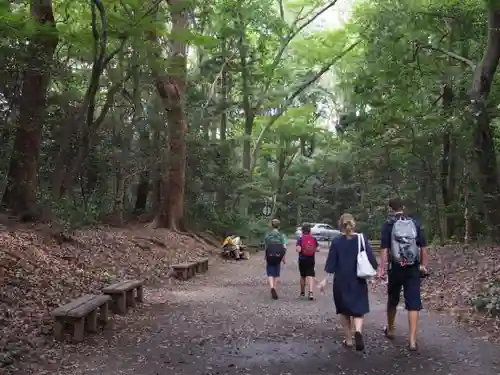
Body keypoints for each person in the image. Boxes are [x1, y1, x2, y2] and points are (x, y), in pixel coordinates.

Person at [318, 213, 378, 351]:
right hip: (358, 278)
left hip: (341, 280)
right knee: (358, 308)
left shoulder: (337, 241)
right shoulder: (362, 239)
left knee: (344, 310)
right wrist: (375, 272)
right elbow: (371, 260)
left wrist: (324, 280)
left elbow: (331, 264)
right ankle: (358, 331)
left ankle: (349, 339)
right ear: (353, 223)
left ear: (340, 225)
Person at [377, 197, 428, 351]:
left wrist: (383, 269)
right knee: (413, 302)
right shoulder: (414, 223)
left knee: (393, 298)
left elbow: (385, 249)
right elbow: (423, 247)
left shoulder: (388, 225)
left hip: (396, 267)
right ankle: (412, 340)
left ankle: (391, 329)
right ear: (403, 207)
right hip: (412, 267)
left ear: (390, 209)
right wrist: (423, 266)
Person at [264, 219, 287, 300]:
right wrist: (284, 257)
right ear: (279, 226)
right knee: (277, 271)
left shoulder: (268, 235)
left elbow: (266, 246)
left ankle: (271, 287)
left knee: (270, 271)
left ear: (271, 225)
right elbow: (284, 247)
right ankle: (275, 287)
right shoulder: (282, 235)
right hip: (278, 255)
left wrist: (265, 256)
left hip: (269, 254)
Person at [296, 223, 319, 300]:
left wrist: (300, 249)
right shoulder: (313, 239)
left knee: (302, 276)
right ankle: (311, 292)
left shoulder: (300, 239)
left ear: (302, 231)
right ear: (310, 231)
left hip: (302, 259)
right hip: (311, 259)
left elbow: (298, 249)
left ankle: (302, 292)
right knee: (310, 276)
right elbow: (318, 249)